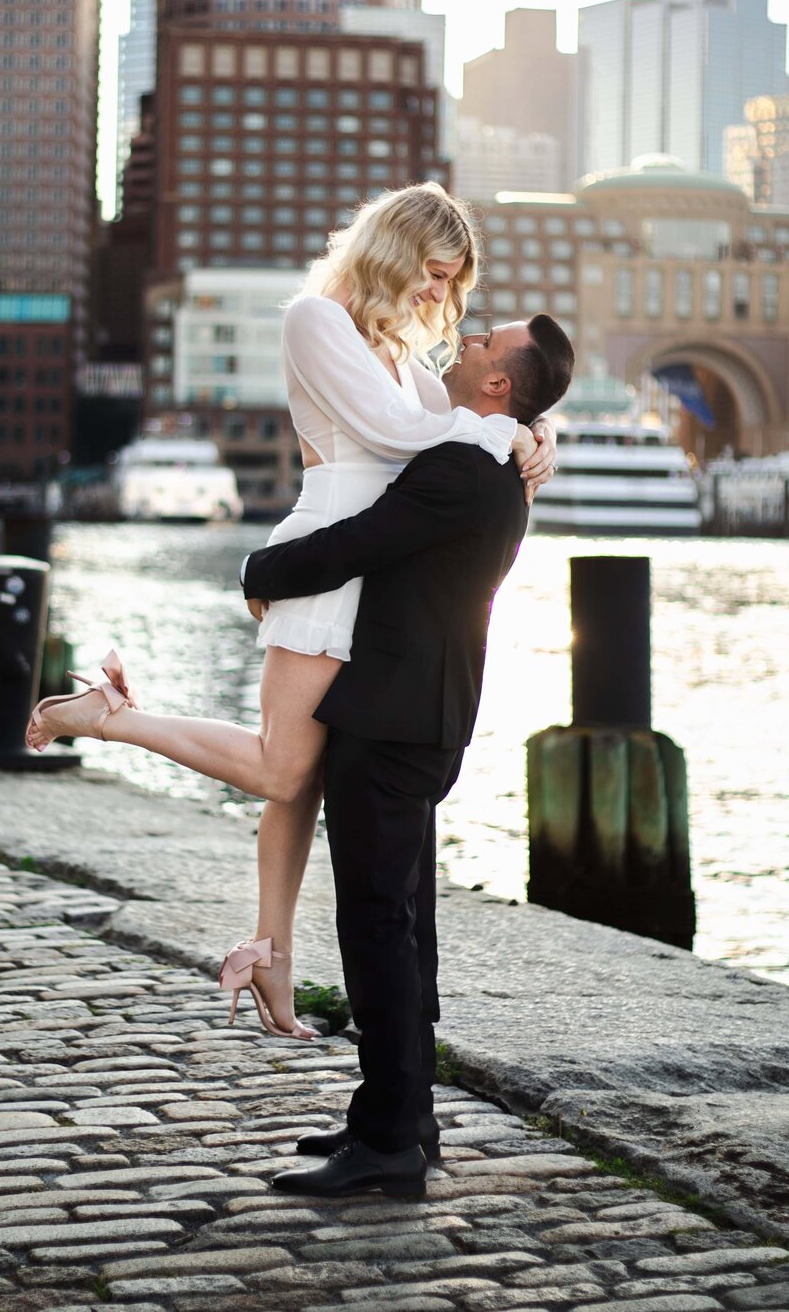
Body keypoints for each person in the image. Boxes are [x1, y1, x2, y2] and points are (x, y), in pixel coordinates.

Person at [25, 184, 557, 1034]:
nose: (437, 296)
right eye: (431, 272)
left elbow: (462, 412)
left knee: (306, 782)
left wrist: (534, 428)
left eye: (450, 283)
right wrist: (509, 436)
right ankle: (107, 716)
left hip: (374, 570)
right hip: (324, 558)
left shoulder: (401, 356)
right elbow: (397, 436)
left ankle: (271, 956)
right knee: (282, 767)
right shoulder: (319, 321)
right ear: (391, 248)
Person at [246, 312, 576, 1200]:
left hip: (393, 722)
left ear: (500, 382)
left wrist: (259, 569)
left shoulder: (464, 466)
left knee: (378, 925)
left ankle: (391, 1141)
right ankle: (400, 1117)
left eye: (482, 342)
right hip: (423, 717)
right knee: (407, 926)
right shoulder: (492, 459)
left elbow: (358, 542)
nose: (465, 341)